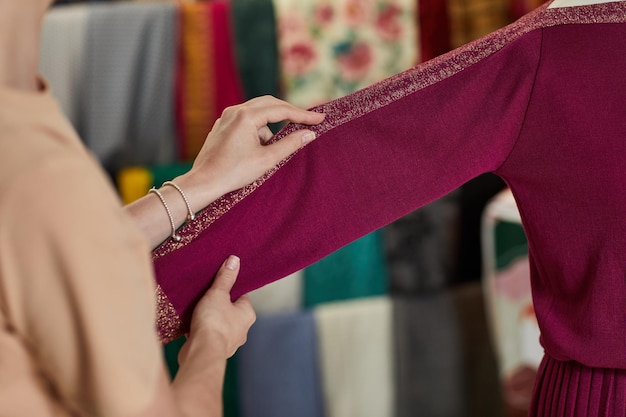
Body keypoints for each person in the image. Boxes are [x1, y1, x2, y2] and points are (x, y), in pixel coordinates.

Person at [150, 0, 625, 415]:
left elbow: (357, 162)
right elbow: (358, 163)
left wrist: (137, 294)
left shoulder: (565, 46)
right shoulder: (566, 49)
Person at [0, 1, 325, 416]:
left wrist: (199, 185)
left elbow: (34, 249)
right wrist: (210, 342)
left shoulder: (24, 147)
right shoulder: (41, 174)